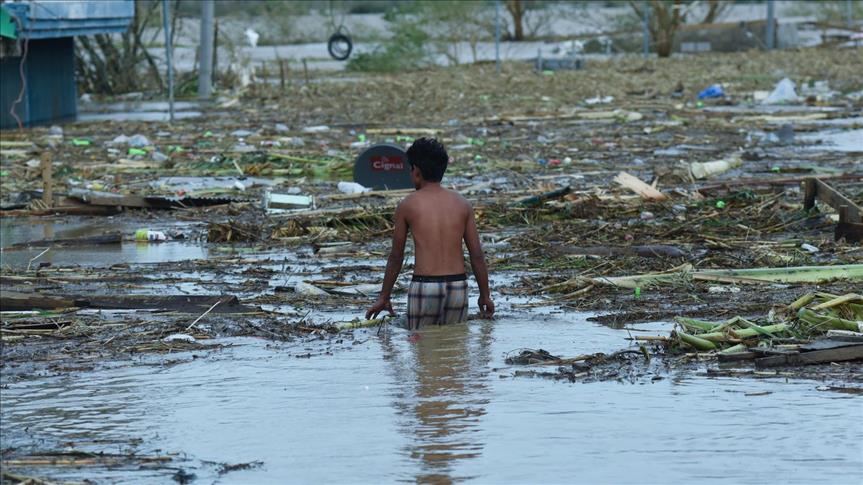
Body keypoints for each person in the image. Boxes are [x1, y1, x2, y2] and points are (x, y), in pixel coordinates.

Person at [366, 137, 494, 329]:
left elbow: (396, 256)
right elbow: (476, 255)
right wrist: (485, 295)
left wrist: (384, 296)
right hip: (458, 287)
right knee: (454, 348)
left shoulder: (408, 205)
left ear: (416, 171)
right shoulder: (462, 204)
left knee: (422, 350)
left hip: (425, 287)